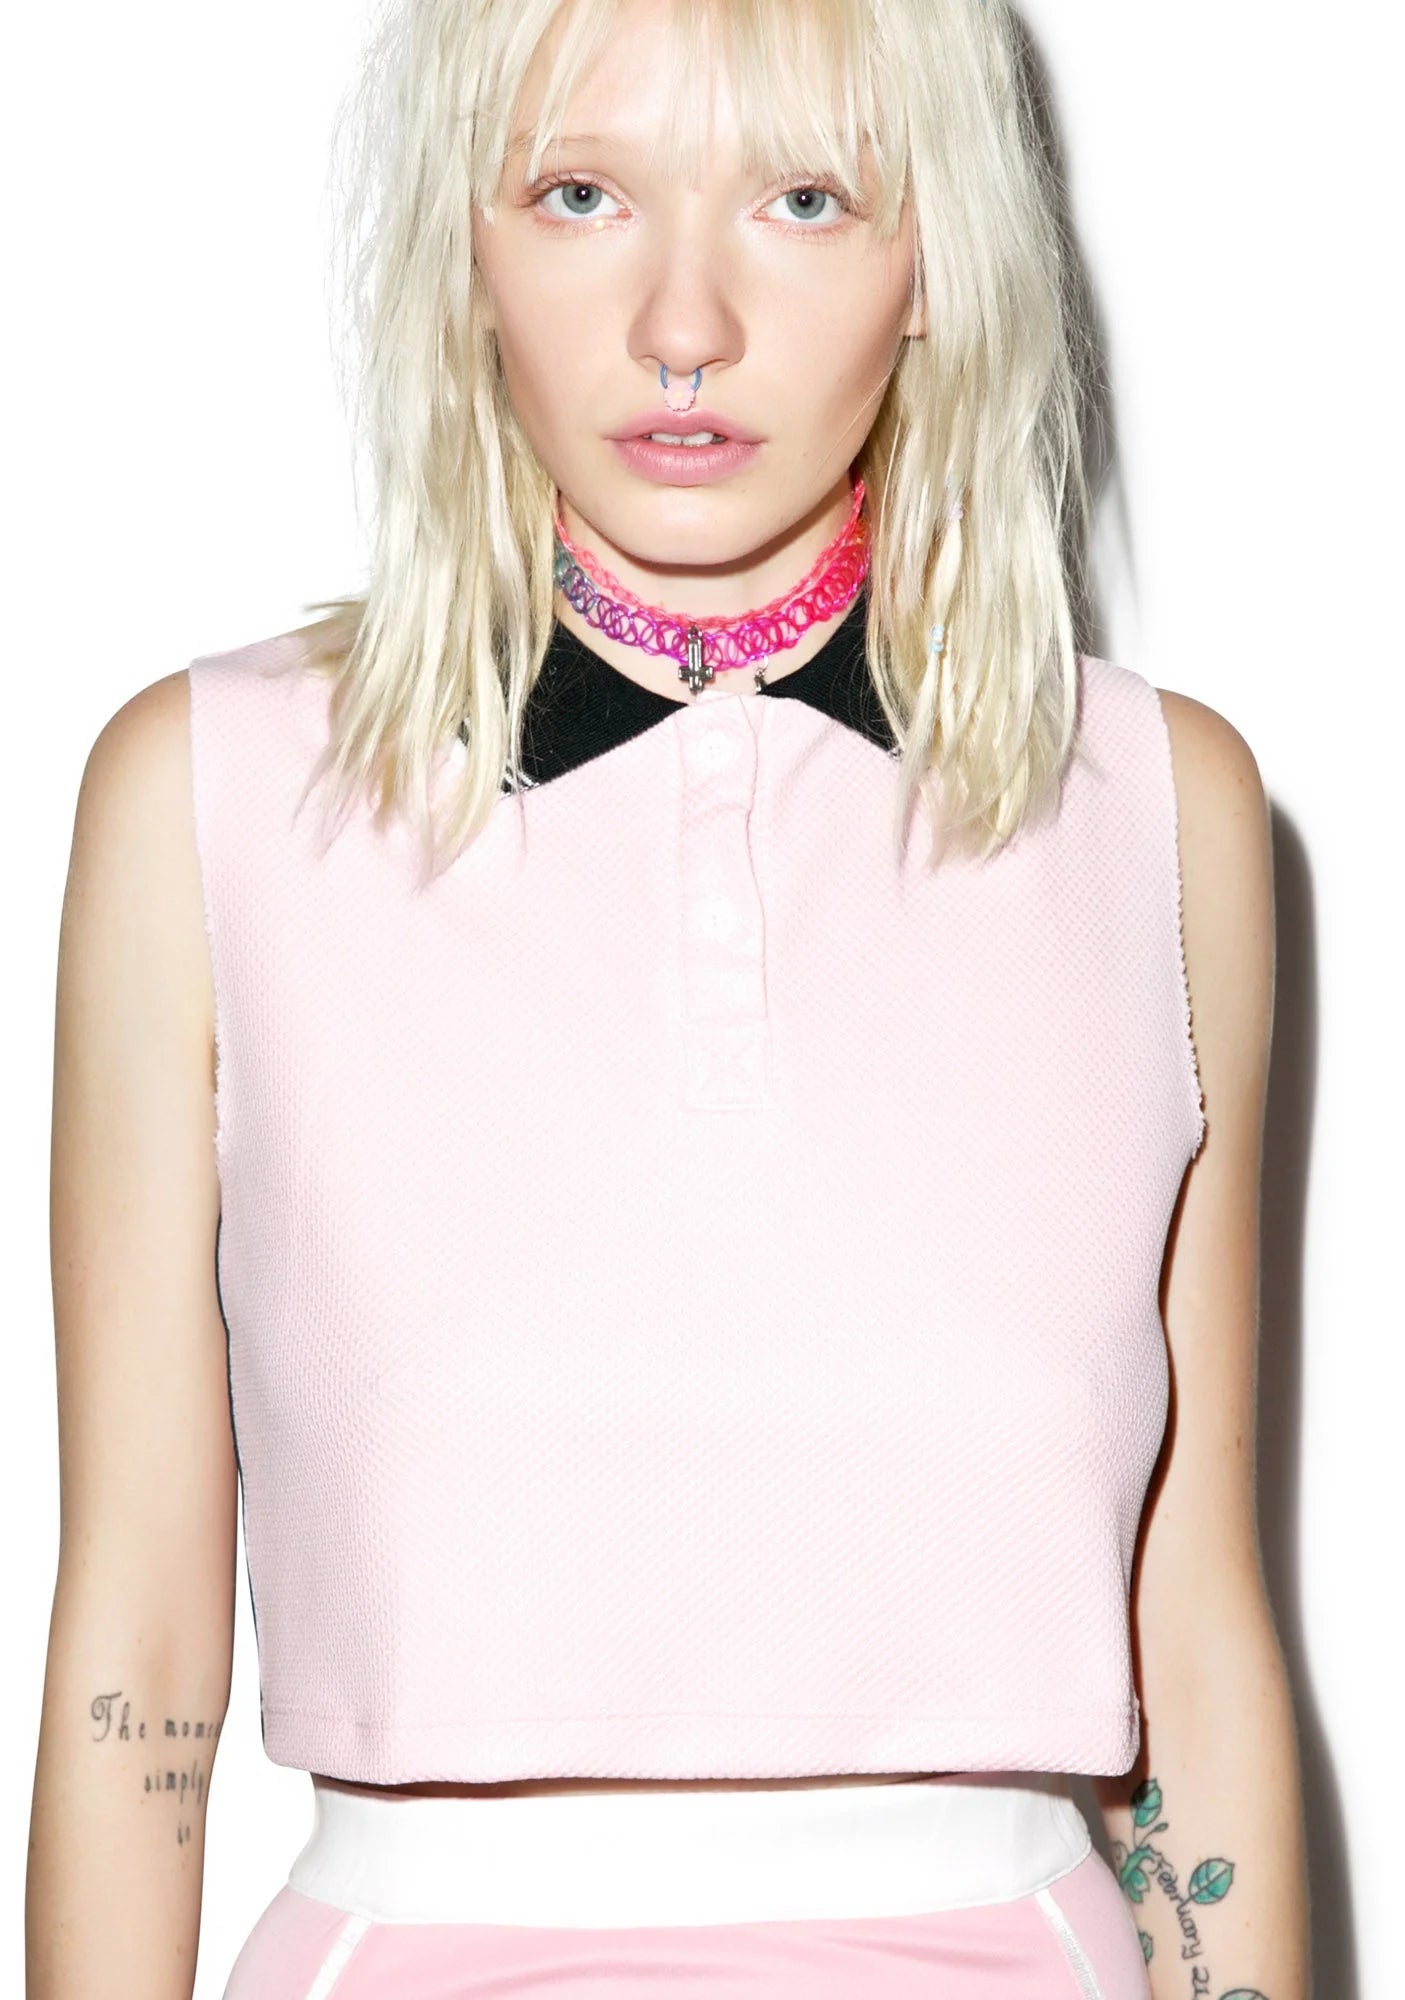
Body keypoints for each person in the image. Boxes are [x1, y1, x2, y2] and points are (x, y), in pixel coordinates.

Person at [28, 0, 1311, 1996]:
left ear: (933, 259)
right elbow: (139, 1638)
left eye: (801, 199)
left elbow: (1196, 1633)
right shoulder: (206, 798)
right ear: (465, 247)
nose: (683, 325)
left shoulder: (1158, 812)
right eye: (579, 195)